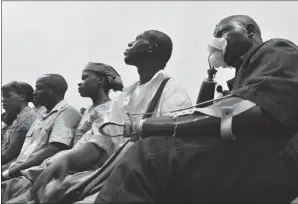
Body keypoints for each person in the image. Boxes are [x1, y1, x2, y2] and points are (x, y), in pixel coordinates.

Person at [91, 15, 298, 203]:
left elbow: (248, 113)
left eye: (223, 32)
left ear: (249, 31)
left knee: (152, 153)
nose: (216, 40)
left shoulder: (277, 50)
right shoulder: (244, 74)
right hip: (278, 143)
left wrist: (149, 126)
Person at [18, 30, 192, 204]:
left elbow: (171, 151)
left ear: (152, 48)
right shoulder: (124, 98)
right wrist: (67, 158)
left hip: (141, 182)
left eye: (138, 39)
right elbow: (101, 143)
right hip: (110, 176)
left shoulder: (172, 91)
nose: (130, 43)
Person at [1, 63, 124, 203]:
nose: (79, 83)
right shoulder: (90, 110)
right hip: (58, 170)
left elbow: (95, 148)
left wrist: (62, 163)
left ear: (101, 80)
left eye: (85, 78)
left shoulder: (107, 110)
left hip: (80, 172)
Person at [1, 74, 81, 200]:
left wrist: (8, 172)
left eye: (40, 88)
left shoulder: (67, 112)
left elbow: (54, 149)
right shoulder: (42, 115)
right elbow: (24, 154)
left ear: (56, 91)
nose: (34, 92)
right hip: (20, 175)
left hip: (33, 179)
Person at [1, 82, 37, 168]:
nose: (3, 100)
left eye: (8, 96)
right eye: (3, 97)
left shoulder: (26, 118)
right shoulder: (18, 118)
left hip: (13, 167)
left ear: (22, 97)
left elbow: (8, 156)